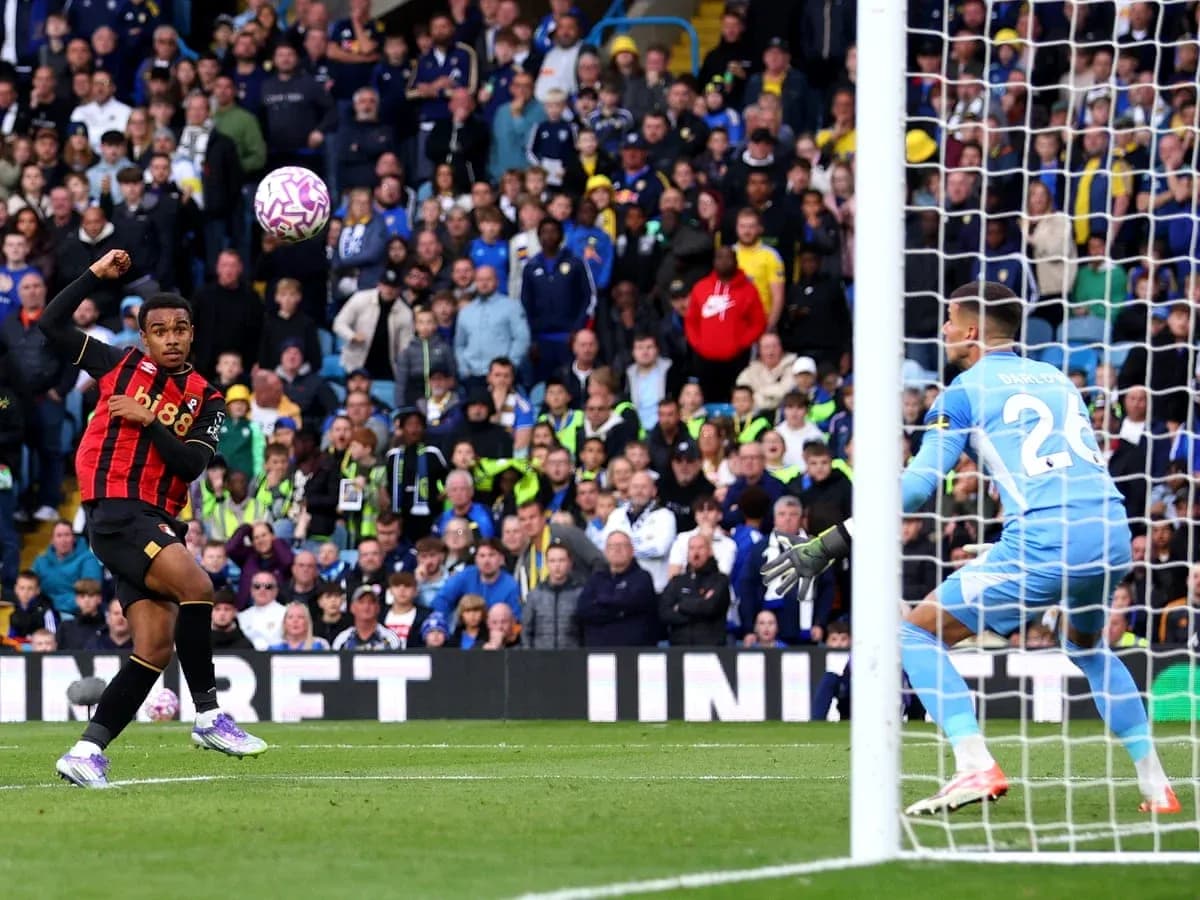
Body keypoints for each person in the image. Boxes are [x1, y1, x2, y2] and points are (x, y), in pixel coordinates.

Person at [762, 282, 1178, 816]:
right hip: (1111, 529)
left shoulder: (961, 391)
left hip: (1046, 538)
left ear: (973, 331)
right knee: (1088, 649)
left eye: (950, 320)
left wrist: (831, 541)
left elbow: (916, 489)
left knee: (913, 630)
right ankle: (1157, 786)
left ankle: (974, 763)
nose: (943, 330)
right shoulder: (1056, 379)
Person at [40, 248, 265, 788]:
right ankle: (209, 714)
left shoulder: (207, 399)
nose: (170, 337)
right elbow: (50, 323)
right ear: (143, 337)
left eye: (179, 329)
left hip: (160, 517)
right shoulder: (116, 363)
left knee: (153, 649)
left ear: (191, 335)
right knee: (198, 584)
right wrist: (94, 274)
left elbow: (191, 462)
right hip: (117, 509)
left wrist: (147, 421)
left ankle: (86, 751)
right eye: (158, 330)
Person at [575, 529, 658, 647]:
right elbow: (583, 609)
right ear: (605, 551)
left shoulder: (642, 578)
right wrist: (619, 611)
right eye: (612, 546)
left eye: (622, 545)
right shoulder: (596, 578)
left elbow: (630, 602)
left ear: (632, 550)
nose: (617, 550)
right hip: (599, 653)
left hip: (634, 652)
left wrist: (600, 602)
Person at [659, 533, 731, 646]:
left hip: (711, 649)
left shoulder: (720, 580)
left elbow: (710, 607)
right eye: (692, 548)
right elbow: (665, 613)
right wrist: (700, 607)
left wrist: (680, 606)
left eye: (700, 547)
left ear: (709, 551)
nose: (696, 552)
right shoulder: (677, 581)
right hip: (679, 649)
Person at [521, 541, 583, 648]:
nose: (557, 565)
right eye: (552, 561)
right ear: (547, 563)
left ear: (569, 563)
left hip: (572, 658)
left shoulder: (579, 594)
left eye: (561, 560)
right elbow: (526, 631)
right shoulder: (535, 595)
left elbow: (584, 630)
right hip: (541, 659)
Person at [331, 584, 403, 650]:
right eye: (361, 602)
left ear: (378, 608)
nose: (366, 606)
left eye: (371, 602)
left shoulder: (390, 639)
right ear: (352, 608)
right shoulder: (342, 640)